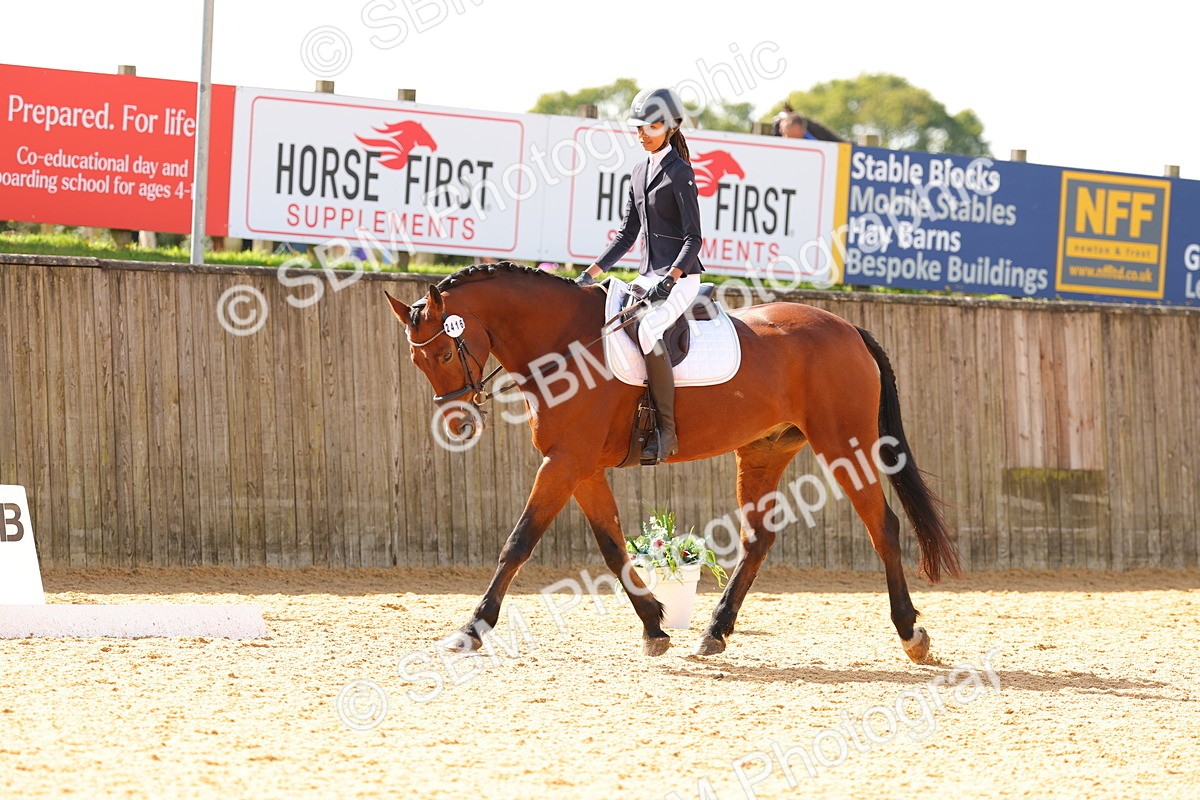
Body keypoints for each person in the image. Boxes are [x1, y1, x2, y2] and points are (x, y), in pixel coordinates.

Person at [575, 87, 703, 464]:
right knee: (608, 322)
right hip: (648, 276)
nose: (643, 133)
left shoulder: (680, 173)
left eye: (651, 126)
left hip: (680, 277)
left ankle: (667, 430)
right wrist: (591, 273)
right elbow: (627, 234)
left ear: (672, 125)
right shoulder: (638, 170)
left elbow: (694, 238)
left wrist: (672, 277)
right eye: (638, 128)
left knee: (649, 330)